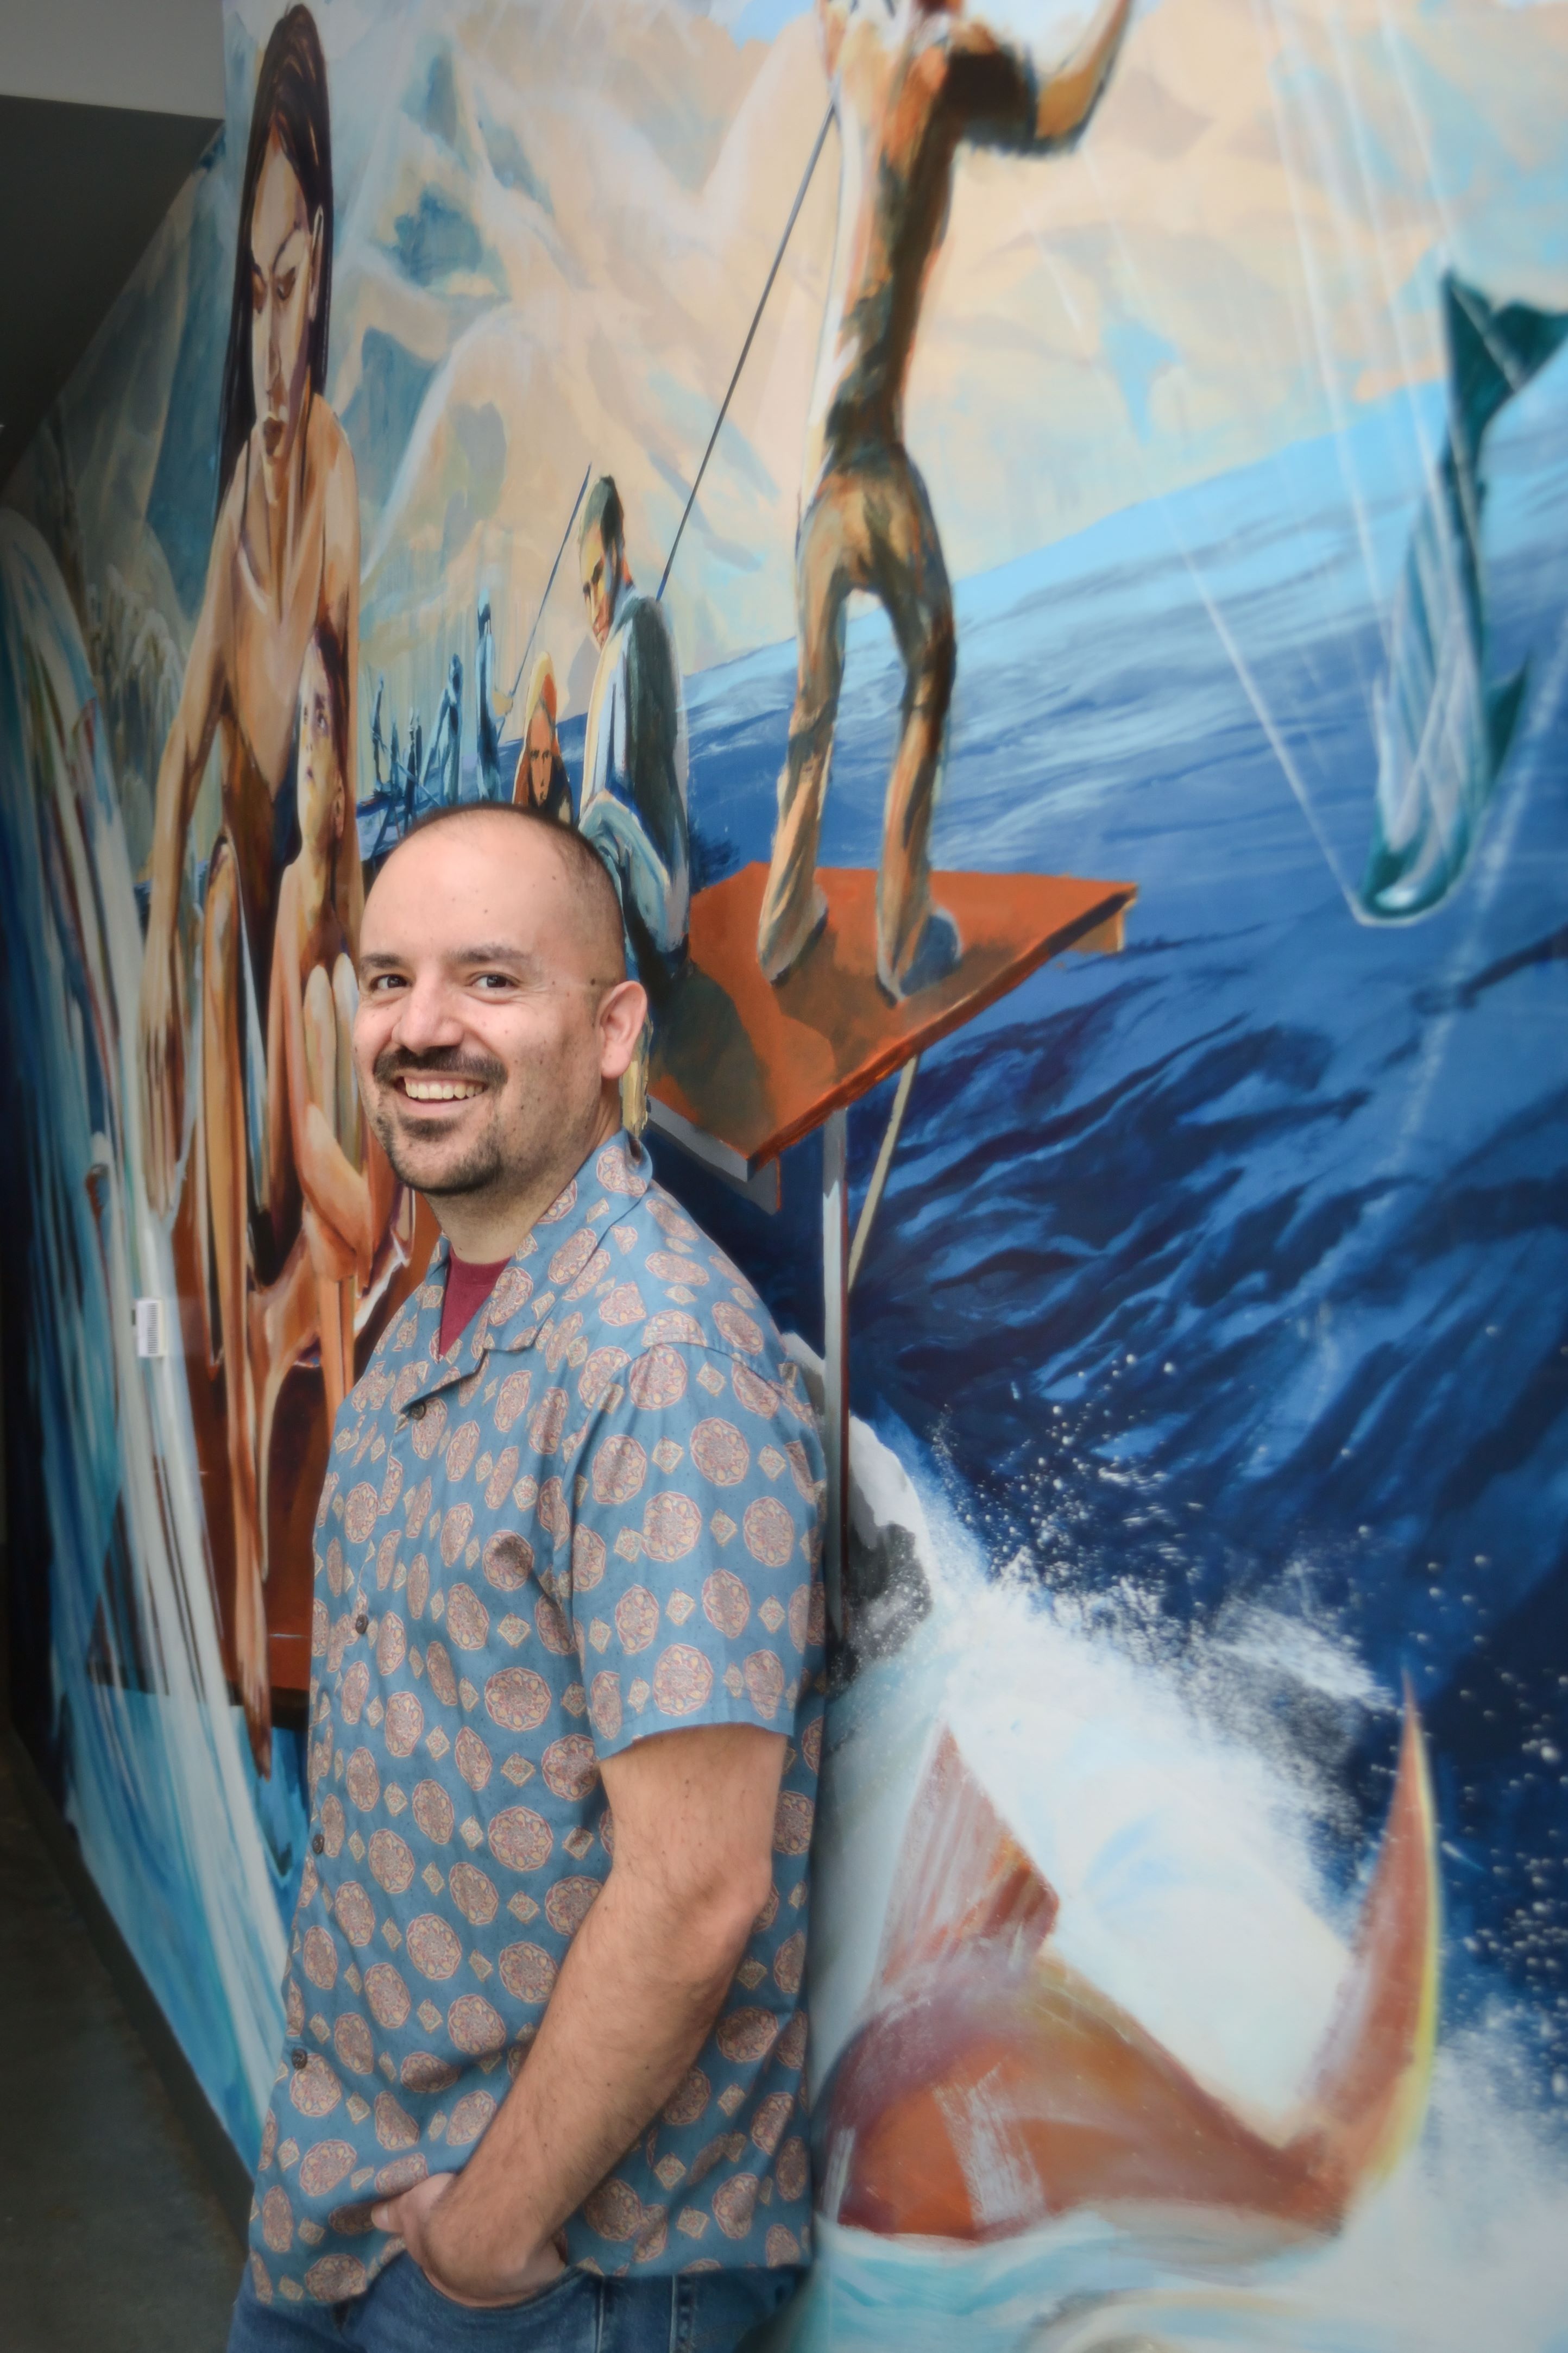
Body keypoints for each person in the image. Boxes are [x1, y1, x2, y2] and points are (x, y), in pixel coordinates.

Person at [227, 803, 825, 2353]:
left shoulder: (656, 1365)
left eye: (489, 980)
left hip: (549, 2266)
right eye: (387, 979)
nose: (420, 1028)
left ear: (613, 1026)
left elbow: (699, 1890)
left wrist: (485, 2241)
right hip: (353, 2202)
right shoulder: (432, 1311)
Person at [136, 3, 360, 1773]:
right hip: (235, 981)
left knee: (304, 945)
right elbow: (167, 831)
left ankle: (332, 1659)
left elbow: (342, 802)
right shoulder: (231, 527)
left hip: (310, 963)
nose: (280, 338)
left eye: (308, 288)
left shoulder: (334, 485)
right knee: (242, 924)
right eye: (259, 295)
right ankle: (242, 1698)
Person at [756, 0, 1132, 1000]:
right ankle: (899, 930)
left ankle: (785, 911)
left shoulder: (857, 48)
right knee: (933, 663)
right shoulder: (943, 63)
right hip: (873, 456)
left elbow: (834, 20)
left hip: (816, 467)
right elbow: (1064, 108)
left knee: (814, 695)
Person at [252, 624, 398, 1505]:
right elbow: (300, 1123)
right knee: (322, 1000)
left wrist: (380, 1217)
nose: (314, 747)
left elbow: (377, 1092)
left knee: (347, 993)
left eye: (324, 722)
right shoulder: (292, 912)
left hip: (362, 1207)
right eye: (304, 723)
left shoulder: (358, 901)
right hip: (327, 1226)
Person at [510, 650, 573, 826]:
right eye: (535, 755)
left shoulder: (561, 787)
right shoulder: (522, 784)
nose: (541, 772)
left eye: (546, 755)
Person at [425, 653, 464, 808]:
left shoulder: (459, 705)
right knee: (446, 794)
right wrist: (425, 772)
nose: (456, 681)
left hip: (455, 761)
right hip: (446, 757)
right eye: (454, 677)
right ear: (450, 675)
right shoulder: (446, 697)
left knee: (453, 797)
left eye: (458, 677)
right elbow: (435, 731)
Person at [475, 593, 503, 799]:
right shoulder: (488, 644)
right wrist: (506, 706)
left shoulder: (479, 650)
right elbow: (489, 704)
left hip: (481, 750)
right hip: (489, 749)